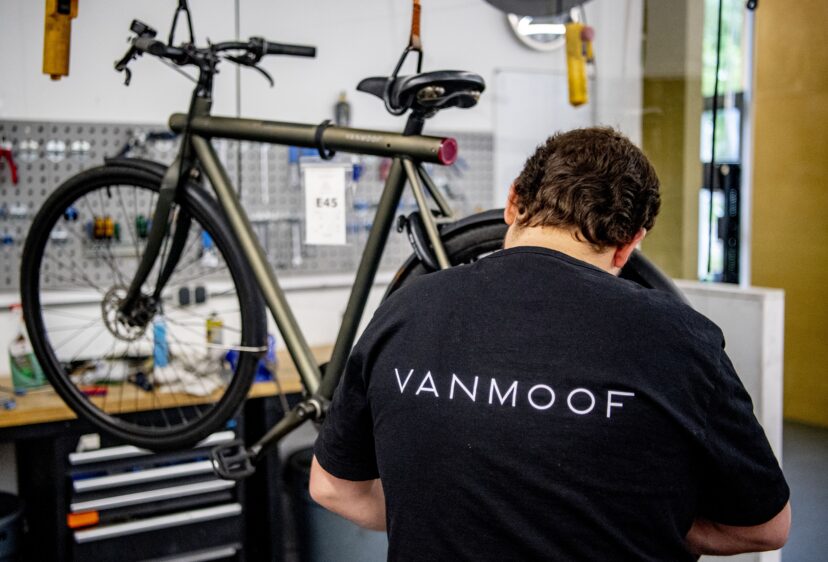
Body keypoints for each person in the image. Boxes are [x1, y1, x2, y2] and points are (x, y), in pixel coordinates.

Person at [309, 127, 790, 561]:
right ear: (629, 244)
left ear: (513, 201)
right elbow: (766, 527)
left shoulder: (406, 308)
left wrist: (437, 513)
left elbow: (331, 488)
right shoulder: (682, 339)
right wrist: (651, 523)